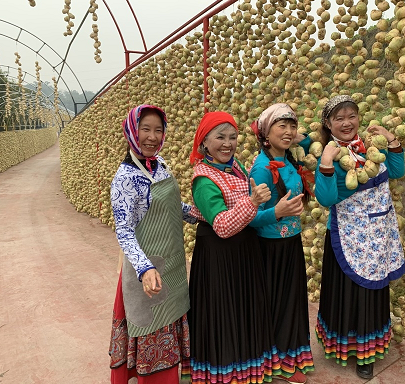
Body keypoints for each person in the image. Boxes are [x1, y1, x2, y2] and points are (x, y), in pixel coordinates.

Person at [182, 111, 280, 384]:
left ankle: (245, 369)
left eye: (233, 137)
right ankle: (225, 374)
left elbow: (221, 212)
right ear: (203, 143)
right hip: (220, 257)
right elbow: (223, 225)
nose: (228, 143)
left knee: (242, 311)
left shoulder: (233, 166)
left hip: (242, 254)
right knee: (224, 314)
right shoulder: (203, 179)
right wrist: (253, 202)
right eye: (220, 137)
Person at [314, 95, 405, 380]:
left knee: (372, 293)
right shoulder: (328, 154)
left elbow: (398, 171)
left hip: (378, 235)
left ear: (358, 118)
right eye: (339, 118)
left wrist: (390, 140)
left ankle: (368, 354)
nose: (346, 123)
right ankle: (345, 348)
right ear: (328, 124)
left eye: (351, 116)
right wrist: (326, 164)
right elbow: (327, 198)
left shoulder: (370, 148)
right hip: (347, 236)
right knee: (347, 293)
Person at [108, 104, 197, 384]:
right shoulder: (124, 179)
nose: (152, 136)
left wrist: (198, 214)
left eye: (158, 130)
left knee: (170, 320)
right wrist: (145, 268)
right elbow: (124, 231)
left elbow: (171, 204)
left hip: (172, 265)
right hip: (147, 273)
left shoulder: (161, 166)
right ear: (132, 131)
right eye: (145, 129)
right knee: (151, 328)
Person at [248, 103, 315, 384]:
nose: (288, 132)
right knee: (277, 304)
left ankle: (291, 358)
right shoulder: (261, 168)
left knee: (292, 301)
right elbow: (251, 217)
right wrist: (278, 212)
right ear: (266, 132)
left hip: (291, 242)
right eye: (281, 126)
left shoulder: (290, 159)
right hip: (270, 248)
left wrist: (302, 138)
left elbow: (313, 143)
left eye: (292, 126)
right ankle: (277, 362)